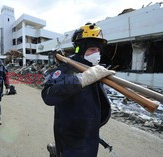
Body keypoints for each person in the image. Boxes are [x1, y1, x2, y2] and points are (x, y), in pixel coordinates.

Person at [41, 23, 115, 157]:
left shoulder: (96, 70)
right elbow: (48, 95)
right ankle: (57, 152)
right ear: (80, 49)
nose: (96, 54)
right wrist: (81, 80)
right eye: (92, 49)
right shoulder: (65, 69)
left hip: (90, 134)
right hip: (70, 137)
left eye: (98, 50)